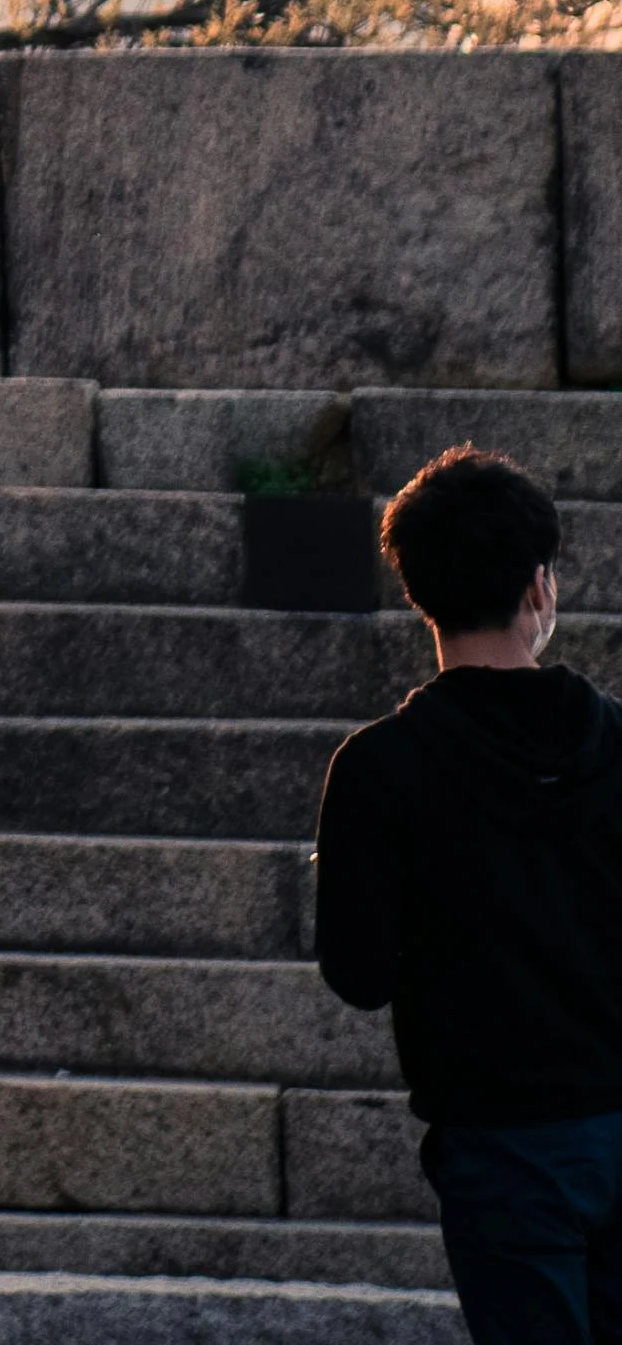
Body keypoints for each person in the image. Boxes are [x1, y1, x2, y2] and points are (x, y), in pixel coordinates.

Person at [320, 447, 622, 1342]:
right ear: (541, 587)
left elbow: (359, 973)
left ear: (419, 595)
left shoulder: (380, 768)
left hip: (502, 1144)